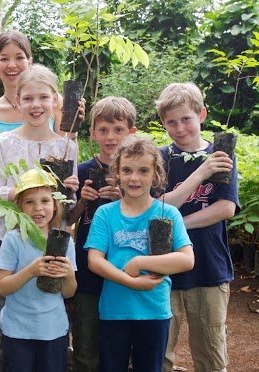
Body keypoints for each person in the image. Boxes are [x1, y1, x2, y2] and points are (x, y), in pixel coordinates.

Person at [0, 30, 86, 349]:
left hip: (52, 236)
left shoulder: (66, 147)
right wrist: (16, 192)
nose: (36, 105)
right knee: (5, 306)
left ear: (54, 102)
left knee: (49, 298)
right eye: (28, 98)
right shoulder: (6, 143)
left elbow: (67, 201)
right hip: (9, 235)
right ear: (18, 102)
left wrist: (69, 190)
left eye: (43, 98)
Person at [85, 136, 195, 371]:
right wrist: (130, 281)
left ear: (156, 174)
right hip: (115, 311)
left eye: (143, 170)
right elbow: (94, 260)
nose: (134, 178)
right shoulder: (105, 213)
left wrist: (139, 262)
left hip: (154, 311)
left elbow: (187, 259)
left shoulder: (168, 213)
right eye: (127, 170)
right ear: (117, 173)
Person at [156, 83, 240, 372]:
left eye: (186, 119)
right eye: (171, 122)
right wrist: (201, 173)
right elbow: (158, 209)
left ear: (201, 114)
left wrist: (175, 227)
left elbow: (225, 208)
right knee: (159, 352)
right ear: (162, 123)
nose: (180, 128)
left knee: (211, 352)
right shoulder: (160, 158)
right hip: (164, 270)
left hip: (209, 267)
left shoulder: (221, 155)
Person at [65, 96, 136, 372]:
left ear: (131, 132)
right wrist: (82, 201)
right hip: (87, 274)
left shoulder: (136, 174)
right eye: (103, 130)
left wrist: (125, 197)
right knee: (86, 347)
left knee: (121, 348)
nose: (110, 137)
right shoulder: (81, 171)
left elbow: (148, 216)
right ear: (93, 132)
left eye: (118, 129)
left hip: (125, 270)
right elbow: (66, 220)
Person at [0, 169, 78, 372]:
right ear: (20, 208)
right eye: (29, 202)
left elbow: (69, 292)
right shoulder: (13, 239)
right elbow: (2, 287)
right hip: (17, 331)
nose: (38, 208)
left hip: (53, 330)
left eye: (45, 201)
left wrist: (68, 274)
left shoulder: (63, 241)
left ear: (55, 205)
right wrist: (30, 271)